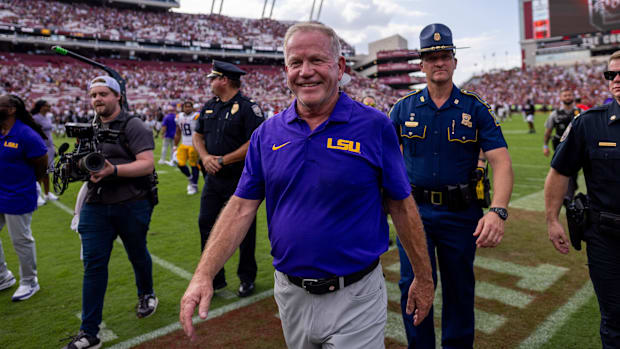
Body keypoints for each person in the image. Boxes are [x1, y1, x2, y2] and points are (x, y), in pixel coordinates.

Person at [180, 22, 434, 347]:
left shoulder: (375, 127)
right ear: (286, 70)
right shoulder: (266, 135)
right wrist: (204, 273)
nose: (306, 72)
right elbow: (241, 207)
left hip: (356, 296)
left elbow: (401, 204)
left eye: (317, 60)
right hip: (290, 295)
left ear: (339, 67)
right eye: (296, 63)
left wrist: (423, 277)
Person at [389, 23, 513, 348]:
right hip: (414, 213)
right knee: (413, 284)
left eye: (444, 55)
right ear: (421, 63)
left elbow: (500, 161)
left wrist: (498, 211)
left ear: (455, 61)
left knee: (459, 289)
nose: (438, 62)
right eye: (431, 57)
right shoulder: (403, 108)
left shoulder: (475, 108)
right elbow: (383, 160)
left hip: (461, 215)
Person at [63, 76, 158, 349]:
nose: (97, 100)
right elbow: (83, 164)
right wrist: (73, 167)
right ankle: (89, 332)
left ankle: (147, 294)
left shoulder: (133, 125)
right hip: (95, 203)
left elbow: (147, 164)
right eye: (93, 95)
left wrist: (112, 170)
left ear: (118, 96)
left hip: (132, 202)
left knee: (137, 252)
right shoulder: (89, 127)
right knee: (93, 264)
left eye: (103, 94)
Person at [544, 50, 620, 348]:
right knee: (614, 319)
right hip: (606, 237)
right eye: (611, 75)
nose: (616, 80)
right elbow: (559, 172)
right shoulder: (590, 123)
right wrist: (551, 219)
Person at [192, 60, 264, 298]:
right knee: (206, 223)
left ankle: (247, 277)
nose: (210, 83)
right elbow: (198, 135)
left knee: (244, 229)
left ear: (224, 80)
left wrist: (223, 159)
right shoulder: (210, 106)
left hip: (241, 178)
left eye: (213, 78)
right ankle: (214, 277)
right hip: (213, 179)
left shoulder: (248, 108)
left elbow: (255, 142)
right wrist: (205, 157)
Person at [0, 94, 48, 302]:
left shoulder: (26, 134)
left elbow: (42, 163)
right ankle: (3, 277)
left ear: (11, 109)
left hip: (18, 194)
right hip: (0, 192)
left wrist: (33, 183)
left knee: (20, 240)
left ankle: (30, 281)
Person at [543, 88, 581, 204]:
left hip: (576, 146)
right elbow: (548, 131)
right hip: (560, 146)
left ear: (573, 97)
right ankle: (567, 196)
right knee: (562, 170)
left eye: (569, 95)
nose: (568, 97)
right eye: (565, 95)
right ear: (560, 98)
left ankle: (569, 194)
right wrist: (545, 146)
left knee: (572, 172)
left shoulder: (580, 112)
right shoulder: (554, 114)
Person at [31, 99, 59, 206]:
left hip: (49, 147)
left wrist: (53, 147)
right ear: (41, 107)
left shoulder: (47, 117)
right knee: (39, 173)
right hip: (40, 147)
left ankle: (47, 194)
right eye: (47, 105)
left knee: (47, 172)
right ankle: (36, 196)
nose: (49, 107)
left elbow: (48, 133)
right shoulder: (35, 118)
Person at [174, 100, 200, 195]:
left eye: (189, 106)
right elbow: (178, 132)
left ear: (192, 108)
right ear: (183, 108)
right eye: (186, 106)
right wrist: (175, 145)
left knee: (193, 165)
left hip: (194, 144)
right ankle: (190, 178)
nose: (187, 108)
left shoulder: (197, 116)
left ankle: (194, 185)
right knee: (179, 163)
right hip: (184, 143)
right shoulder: (179, 116)